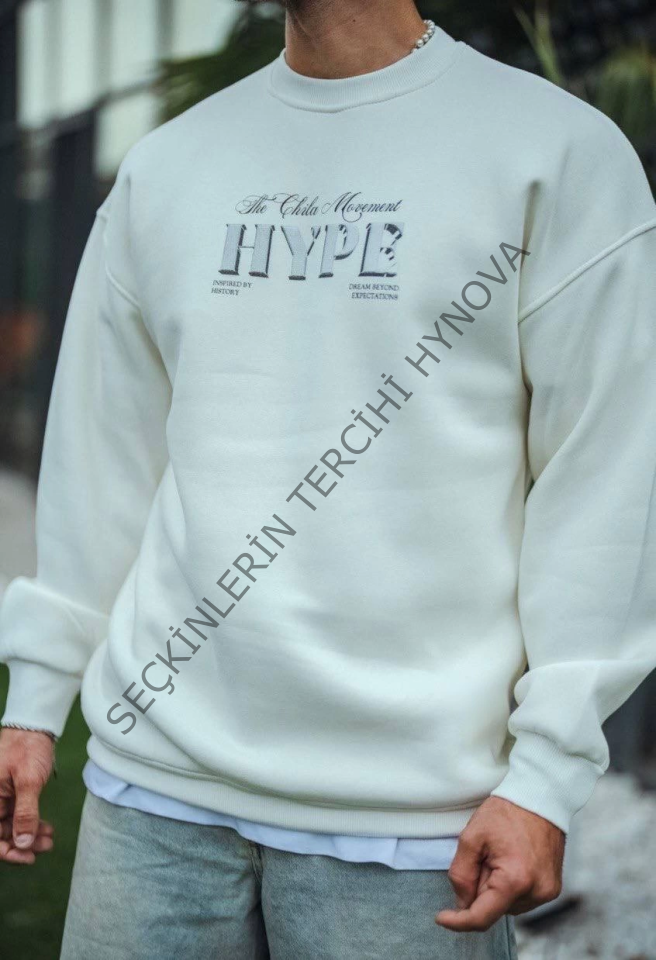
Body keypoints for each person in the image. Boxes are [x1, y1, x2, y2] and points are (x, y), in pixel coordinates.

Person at [1, 0, 655, 956]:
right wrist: (34, 700)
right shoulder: (169, 164)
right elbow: (102, 457)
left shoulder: (556, 153)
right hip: (150, 799)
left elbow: (603, 479)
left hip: (415, 828)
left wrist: (547, 775)